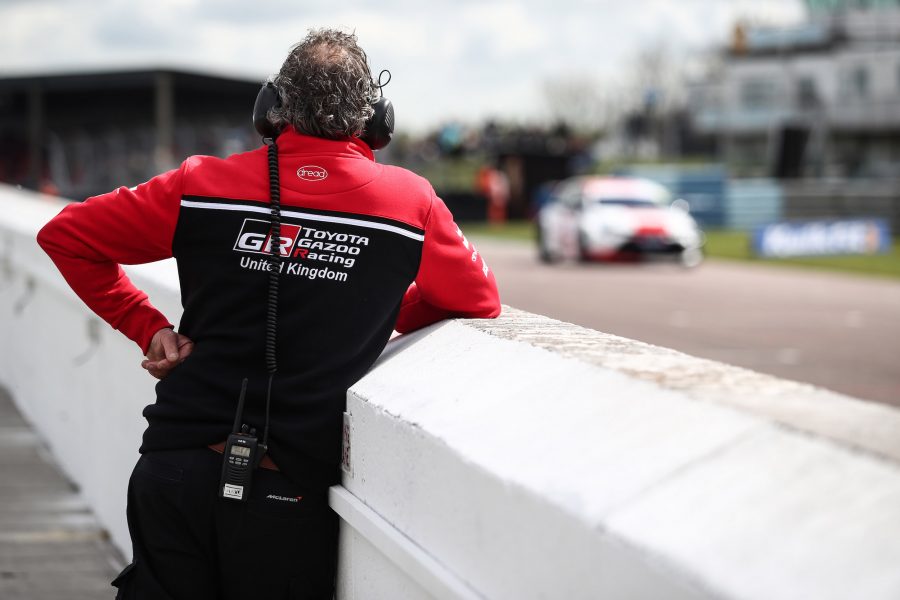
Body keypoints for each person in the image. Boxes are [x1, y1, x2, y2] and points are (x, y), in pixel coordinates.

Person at [36, 28, 500, 600]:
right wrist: (379, 307)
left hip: (173, 471)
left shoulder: (200, 184)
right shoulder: (412, 202)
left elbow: (67, 236)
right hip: (287, 494)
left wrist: (146, 325)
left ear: (272, 109)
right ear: (375, 119)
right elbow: (478, 299)